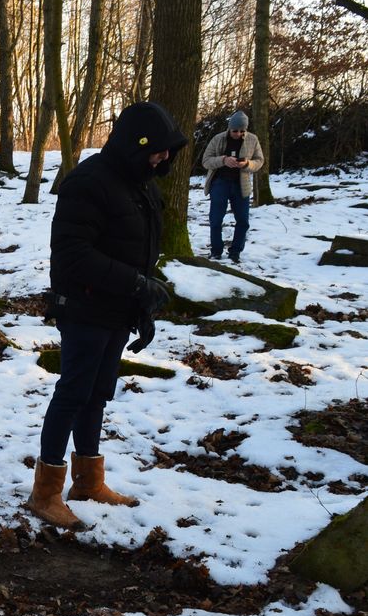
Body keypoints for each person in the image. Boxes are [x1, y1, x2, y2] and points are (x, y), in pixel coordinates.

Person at [30, 102, 187, 529]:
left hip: (116, 308)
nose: (163, 158)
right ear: (134, 145)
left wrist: (142, 303)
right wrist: (136, 286)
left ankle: (87, 481)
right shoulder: (88, 183)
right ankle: (46, 492)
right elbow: (72, 254)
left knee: (98, 393)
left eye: (167, 151)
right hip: (83, 307)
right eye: (157, 150)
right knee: (74, 393)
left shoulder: (141, 184)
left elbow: (137, 250)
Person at [202, 110, 265, 263]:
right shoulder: (218, 139)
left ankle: (235, 252)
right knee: (216, 219)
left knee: (243, 221)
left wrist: (247, 164)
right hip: (220, 183)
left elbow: (260, 161)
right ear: (229, 128)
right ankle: (216, 251)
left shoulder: (252, 139)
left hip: (241, 185)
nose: (238, 133)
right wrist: (223, 160)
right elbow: (206, 161)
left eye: (242, 131)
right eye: (235, 130)